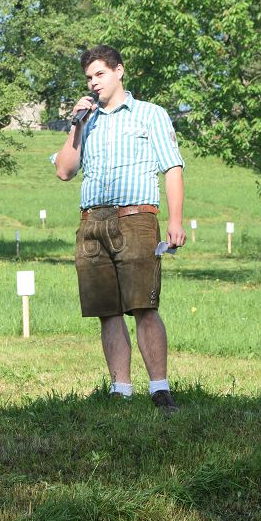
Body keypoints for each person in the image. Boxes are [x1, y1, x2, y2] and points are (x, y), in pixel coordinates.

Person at [53, 45, 186, 415]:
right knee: (107, 311)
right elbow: (63, 171)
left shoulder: (150, 114)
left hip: (136, 218)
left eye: (100, 74)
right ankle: (120, 390)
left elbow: (172, 168)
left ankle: (159, 389)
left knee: (144, 305)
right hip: (92, 222)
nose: (94, 83)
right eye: (89, 78)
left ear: (119, 71)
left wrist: (175, 221)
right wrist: (76, 124)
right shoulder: (86, 121)